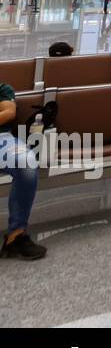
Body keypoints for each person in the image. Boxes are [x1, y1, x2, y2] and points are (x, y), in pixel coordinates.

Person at [0, 83, 47, 260]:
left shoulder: (2, 88)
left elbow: (8, 113)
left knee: (26, 162)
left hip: (2, 140)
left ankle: (16, 236)